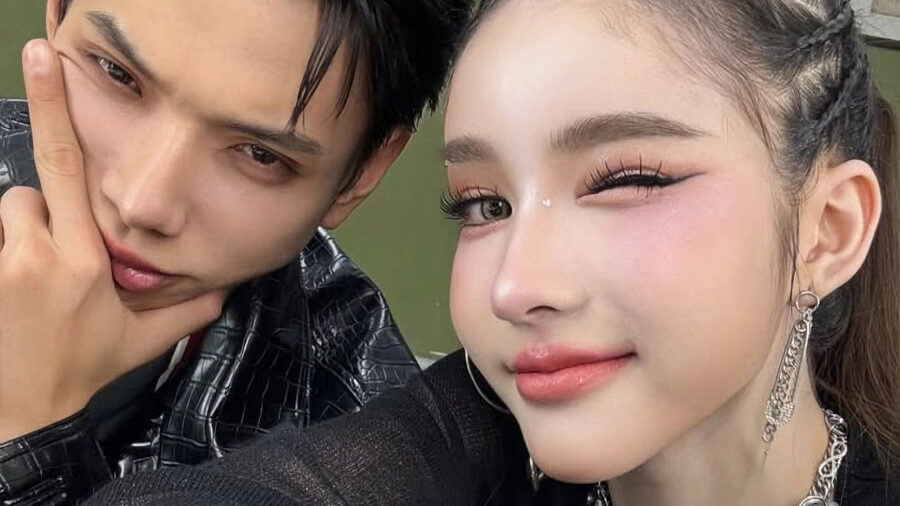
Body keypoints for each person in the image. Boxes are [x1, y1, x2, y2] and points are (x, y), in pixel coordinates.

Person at [78, 0, 900, 504]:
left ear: (827, 230)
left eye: (627, 180)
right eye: (484, 204)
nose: (514, 286)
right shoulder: (462, 431)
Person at [0, 0, 470, 503]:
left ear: (361, 174)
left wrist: (27, 433)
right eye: (117, 74)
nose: (142, 203)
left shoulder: (360, 446)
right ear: (55, 14)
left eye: (259, 154)